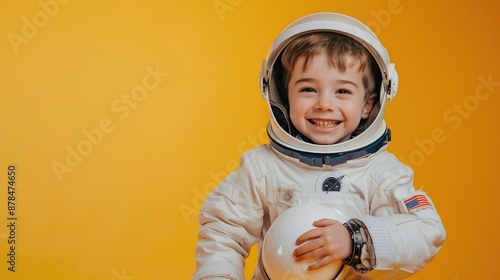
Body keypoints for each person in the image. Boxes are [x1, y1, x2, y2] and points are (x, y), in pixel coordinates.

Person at [194, 12, 445, 280]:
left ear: (368, 105)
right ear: (281, 96)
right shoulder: (262, 169)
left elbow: (425, 233)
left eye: (343, 91)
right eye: (308, 89)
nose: (324, 104)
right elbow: (224, 231)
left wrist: (356, 239)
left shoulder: (382, 174)